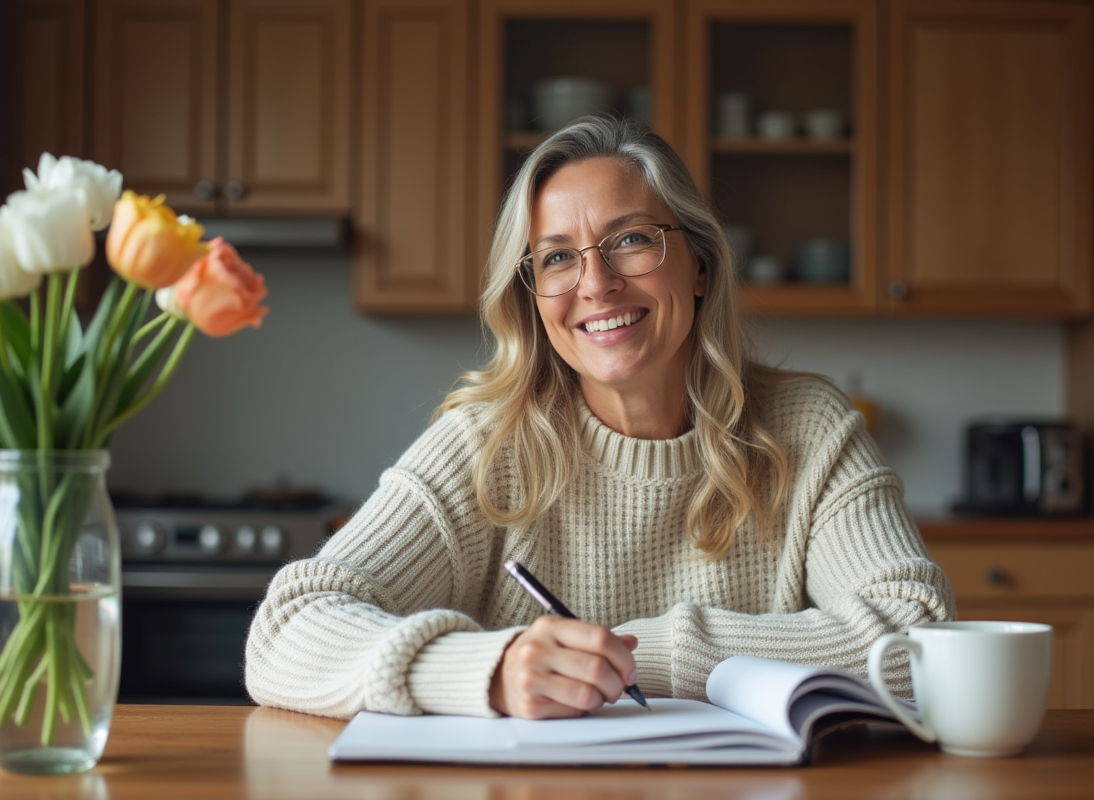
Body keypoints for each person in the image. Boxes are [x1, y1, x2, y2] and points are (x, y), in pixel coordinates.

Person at [245, 116, 954, 721]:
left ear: (699, 264)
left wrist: (665, 654)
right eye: (557, 257)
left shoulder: (807, 428)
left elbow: (924, 639)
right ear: (531, 294)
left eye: (632, 240)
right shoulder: (484, 446)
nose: (596, 283)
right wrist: (487, 670)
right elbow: (285, 633)